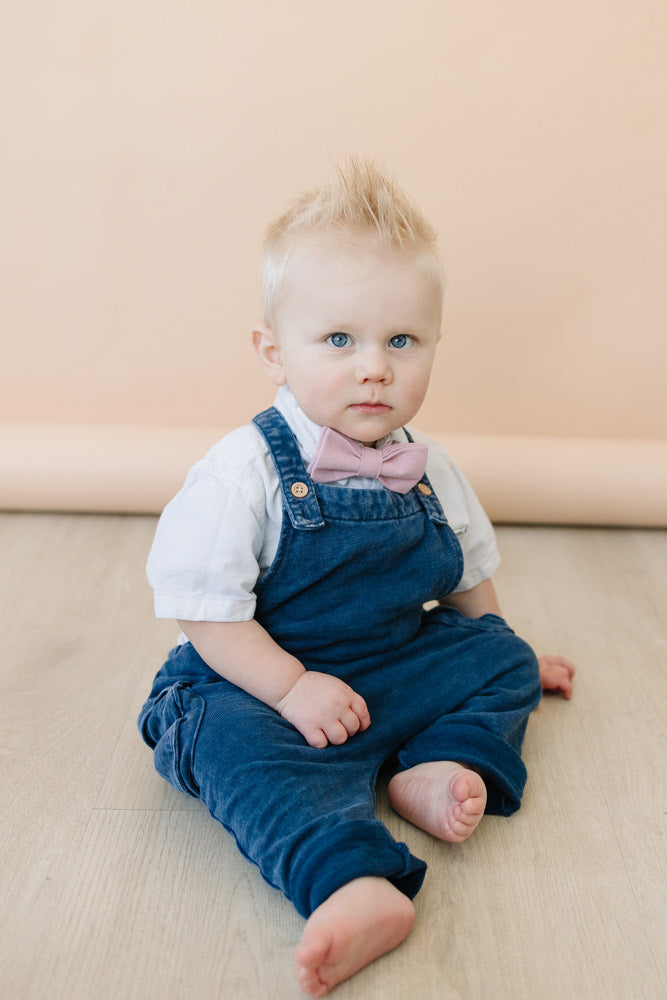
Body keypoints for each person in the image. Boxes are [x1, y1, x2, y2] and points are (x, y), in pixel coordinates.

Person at [138, 159, 574, 998]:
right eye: (339, 340)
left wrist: (493, 641)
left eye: (400, 341)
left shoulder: (429, 465)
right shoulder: (244, 472)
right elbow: (207, 617)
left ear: (432, 347)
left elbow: (467, 578)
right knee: (224, 746)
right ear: (273, 350)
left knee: (504, 658)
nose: (374, 367)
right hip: (257, 681)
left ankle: (435, 765)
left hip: (388, 665)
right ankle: (349, 880)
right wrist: (293, 686)